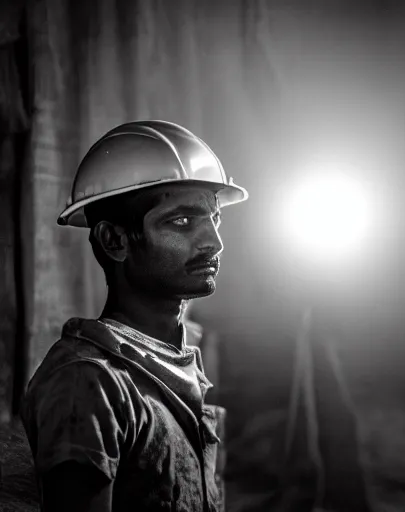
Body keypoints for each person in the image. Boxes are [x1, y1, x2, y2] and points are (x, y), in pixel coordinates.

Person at [19, 120, 248, 512]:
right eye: (182, 221)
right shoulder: (88, 382)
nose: (214, 241)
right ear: (115, 240)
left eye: (214, 218)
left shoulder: (176, 357)